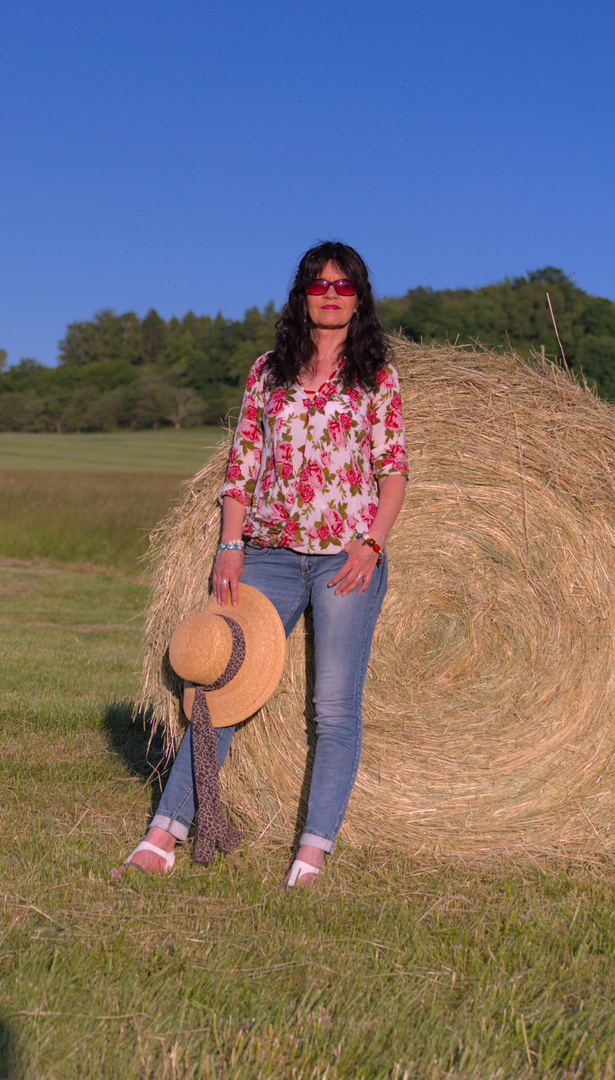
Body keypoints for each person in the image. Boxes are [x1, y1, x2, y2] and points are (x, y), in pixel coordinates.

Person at [115, 241, 408, 888]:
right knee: (217, 685)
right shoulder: (267, 371)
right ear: (302, 293)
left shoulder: (375, 375)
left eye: (343, 286)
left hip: (344, 558)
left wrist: (372, 543)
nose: (330, 295)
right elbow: (242, 463)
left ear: (359, 298)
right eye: (319, 284)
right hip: (270, 556)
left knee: (333, 709)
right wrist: (229, 543)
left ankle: (312, 850)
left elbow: (393, 470)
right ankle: (167, 830)